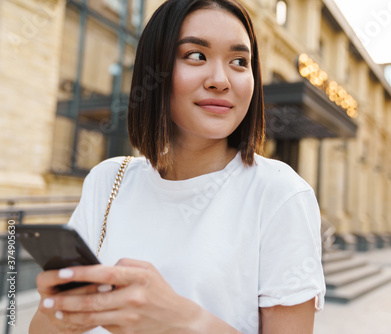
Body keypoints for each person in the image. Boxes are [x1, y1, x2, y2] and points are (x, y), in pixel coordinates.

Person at [30, 0, 325, 332]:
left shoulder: (279, 193)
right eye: (196, 56)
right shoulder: (108, 180)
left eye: (239, 61)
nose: (220, 79)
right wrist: (60, 312)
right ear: (155, 70)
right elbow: (42, 326)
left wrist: (178, 321)